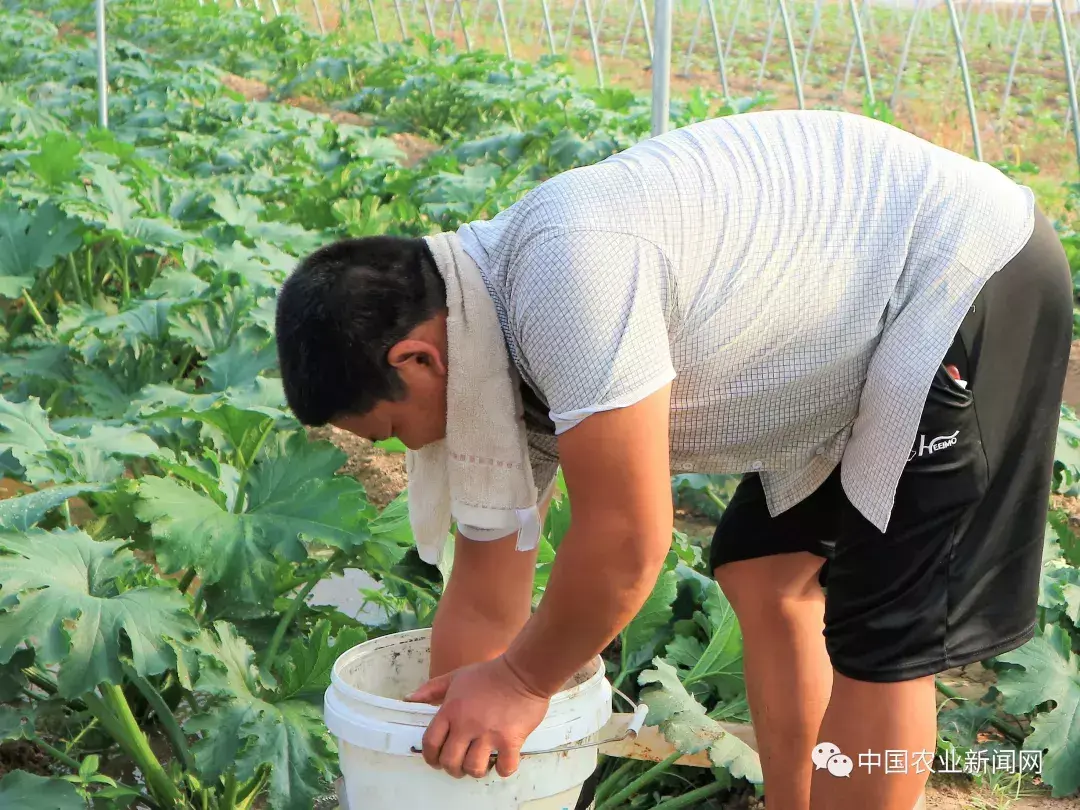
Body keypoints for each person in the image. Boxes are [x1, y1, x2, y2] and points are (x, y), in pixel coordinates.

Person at [273, 109, 1072, 810]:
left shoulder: (562, 275)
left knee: (882, 634)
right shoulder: (479, 336)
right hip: (845, 322)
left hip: (958, 272)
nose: (408, 448)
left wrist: (520, 684)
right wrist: (453, 741)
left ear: (416, 360)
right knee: (764, 571)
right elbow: (487, 593)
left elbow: (628, 540)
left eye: (388, 431)